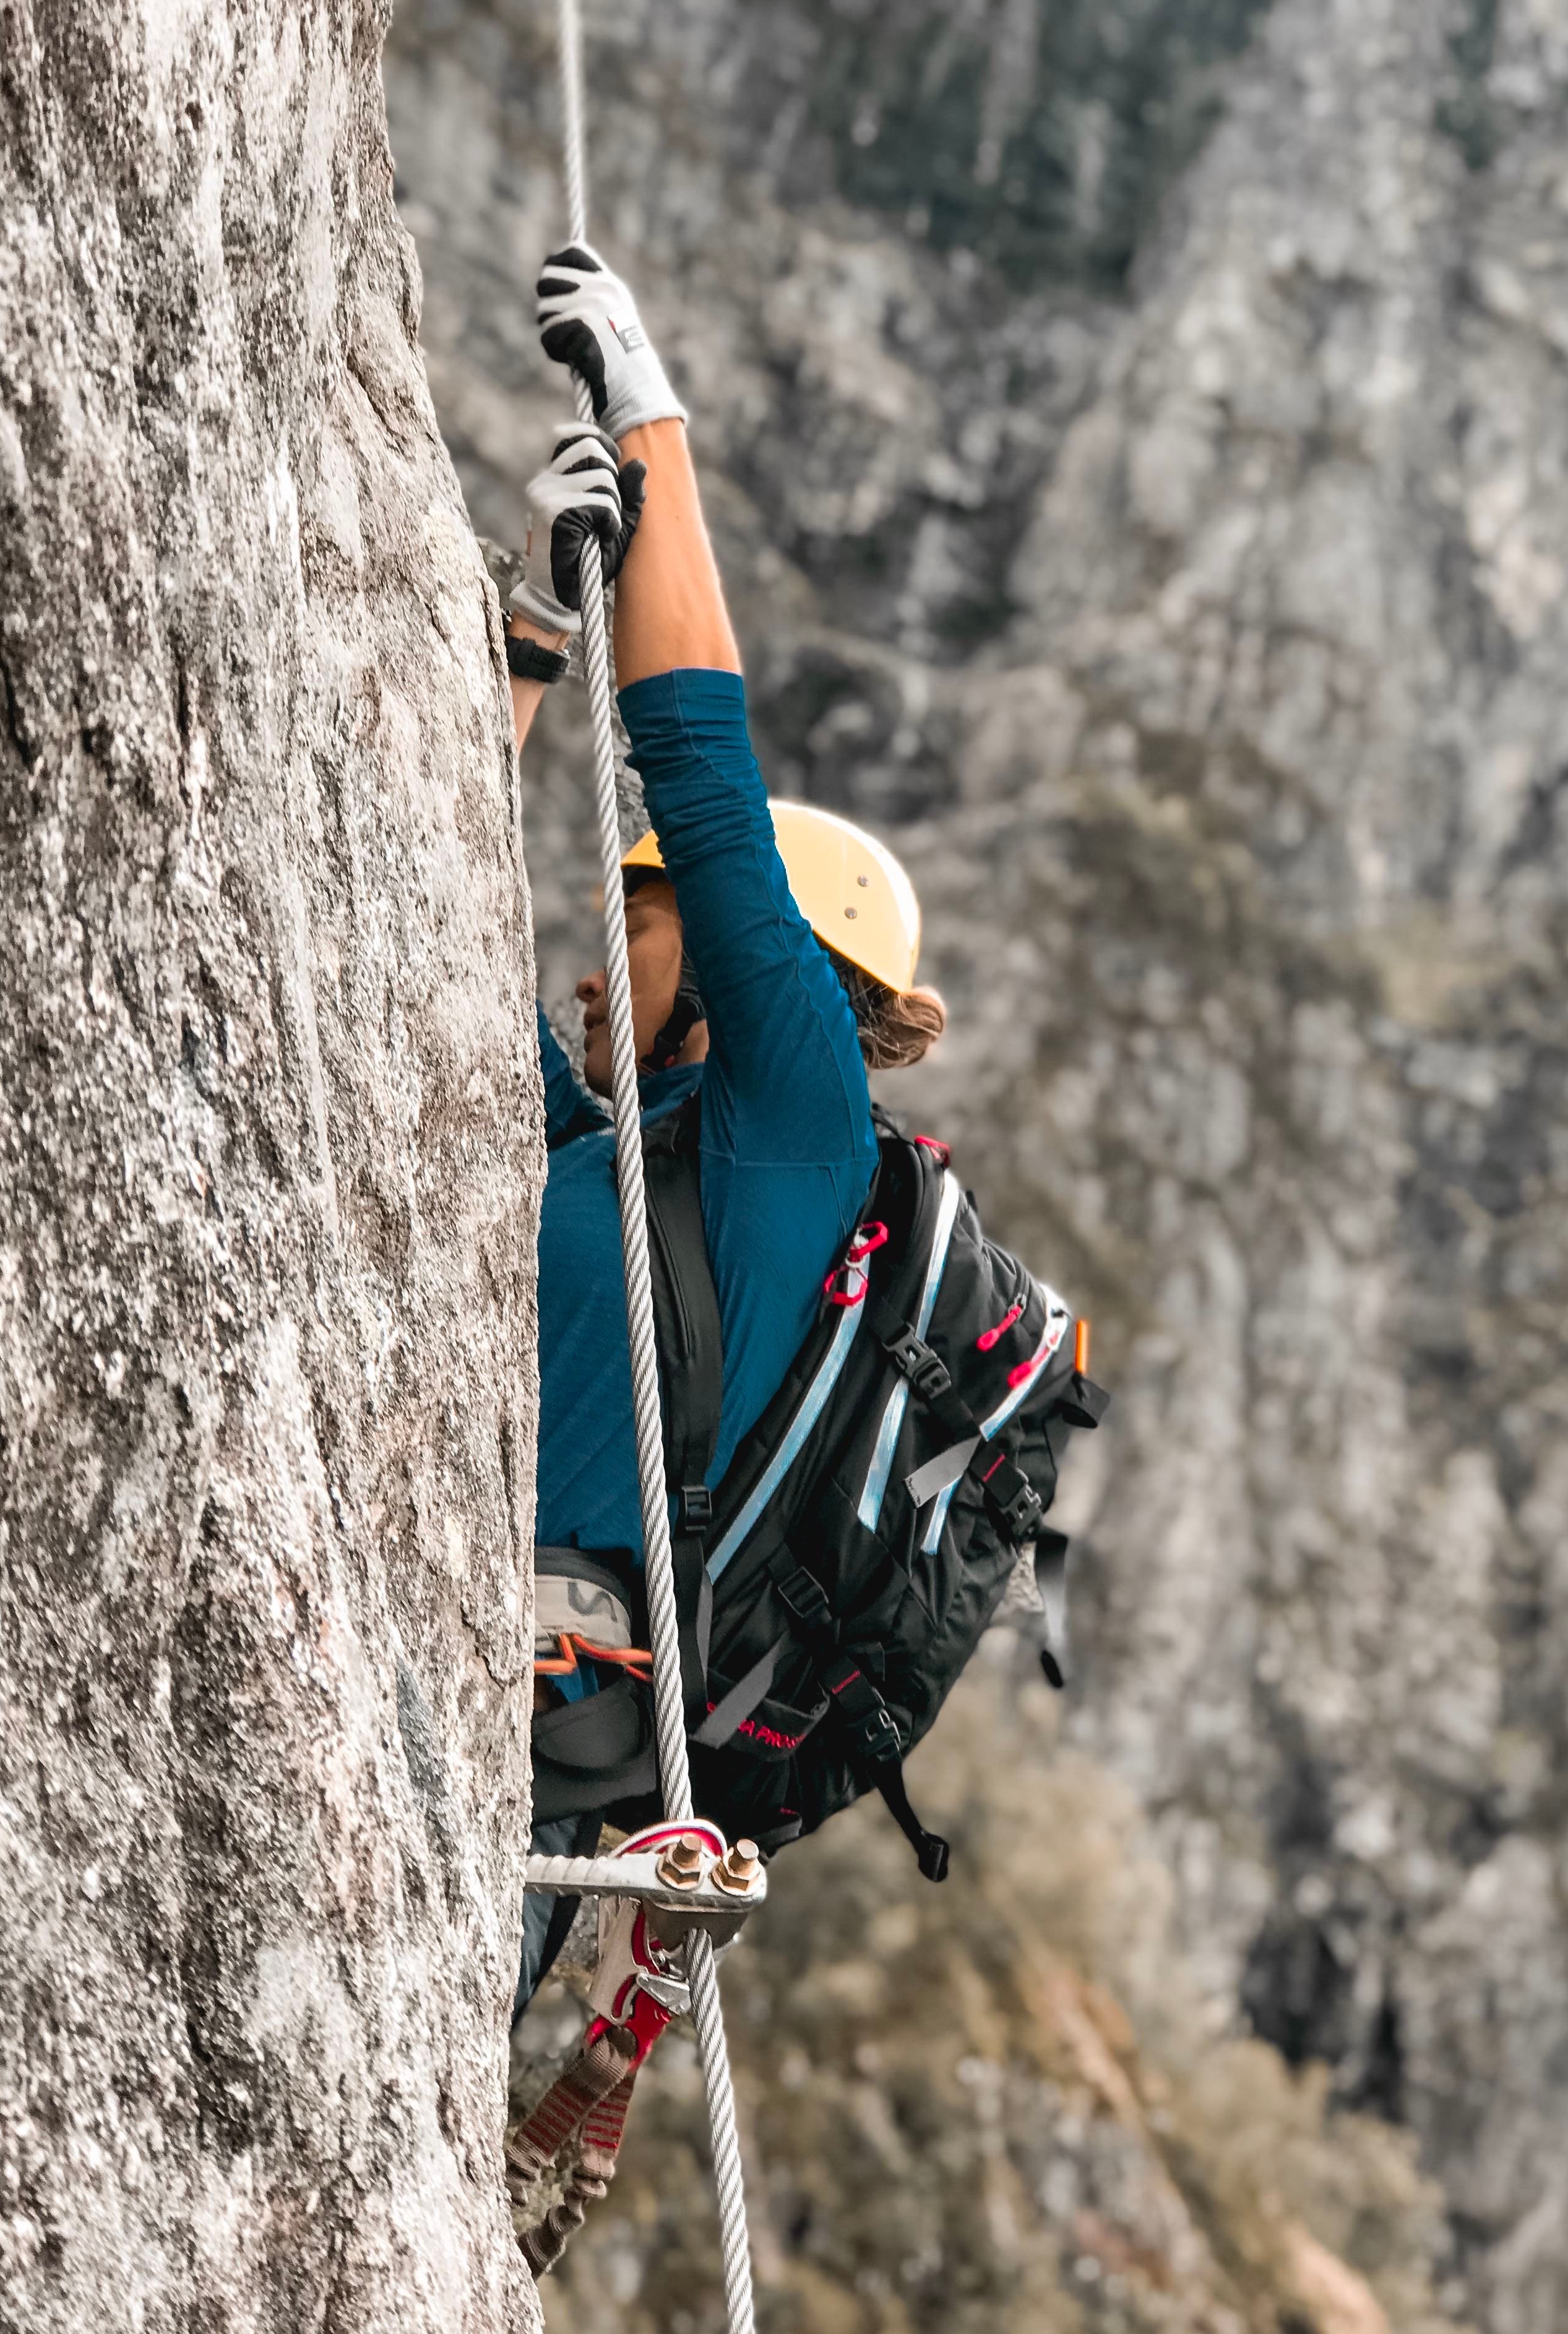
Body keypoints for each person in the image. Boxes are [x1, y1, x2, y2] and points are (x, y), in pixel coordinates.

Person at [503, 248, 946, 2013]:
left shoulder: (793, 1133)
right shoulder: (624, 1164)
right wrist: (524, 667)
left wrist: (650, 424)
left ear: (764, 969)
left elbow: (699, 769)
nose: (599, 957)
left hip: (528, 1736)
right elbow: (439, 1009)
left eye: (642, 918)